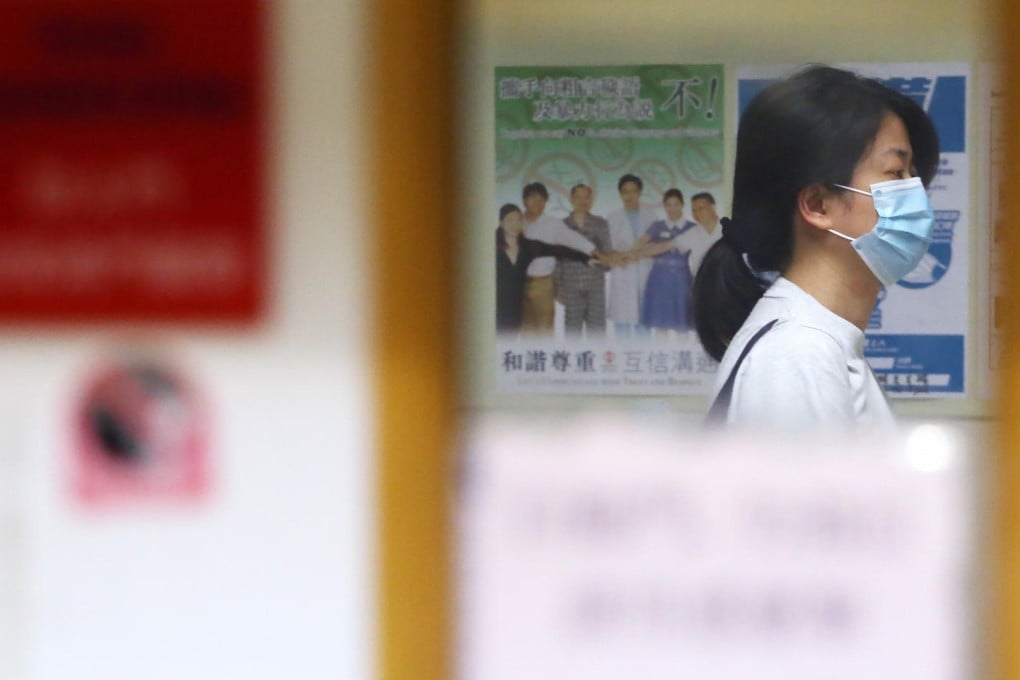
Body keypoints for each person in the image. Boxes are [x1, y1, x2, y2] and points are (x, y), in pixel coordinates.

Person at [695, 65, 939, 429]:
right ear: (818, 205)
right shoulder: (797, 354)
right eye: (895, 173)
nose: (915, 193)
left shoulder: (821, 343)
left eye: (914, 176)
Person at [496, 203, 596, 335]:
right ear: (501, 223)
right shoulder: (490, 247)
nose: (515, 223)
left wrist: (585, 258)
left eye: (518, 219)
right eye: (510, 220)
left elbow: (558, 250)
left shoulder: (527, 247)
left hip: (515, 309)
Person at [519, 182, 602, 335]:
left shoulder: (552, 223)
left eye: (542, 200)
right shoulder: (515, 221)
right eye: (533, 198)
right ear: (524, 201)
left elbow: (572, 239)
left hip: (542, 284)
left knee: (545, 329)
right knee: (525, 328)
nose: (538, 203)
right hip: (518, 283)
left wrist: (594, 251)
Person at [625, 188, 696, 335]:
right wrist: (628, 254)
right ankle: (660, 354)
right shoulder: (657, 226)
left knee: (681, 321)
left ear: (682, 205)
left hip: (682, 277)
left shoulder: (692, 227)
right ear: (664, 206)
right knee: (660, 321)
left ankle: (681, 354)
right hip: (659, 277)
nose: (672, 209)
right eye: (668, 205)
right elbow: (641, 242)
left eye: (676, 204)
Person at [606, 174, 660, 339]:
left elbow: (656, 244)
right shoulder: (612, 218)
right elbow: (609, 247)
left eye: (633, 191)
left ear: (640, 192)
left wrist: (640, 252)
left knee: (644, 319)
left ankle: (643, 359)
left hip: (645, 270)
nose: (629, 196)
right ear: (620, 194)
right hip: (623, 270)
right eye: (625, 192)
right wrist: (620, 256)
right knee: (622, 320)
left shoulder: (652, 216)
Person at [556, 184, 611, 337]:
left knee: (597, 332)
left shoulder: (600, 223)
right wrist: (558, 289)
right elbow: (558, 260)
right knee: (572, 332)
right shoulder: (562, 225)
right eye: (578, 197)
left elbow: (607, 254)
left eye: (586, 197)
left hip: (595, 286)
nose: (582, 201)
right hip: (570, 286)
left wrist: (607, 262)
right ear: (571, 199)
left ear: (591, 200)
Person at [687, 192, 723, 278]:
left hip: (724, 282)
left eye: (701, 208)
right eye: (694, 210)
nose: (697, 213)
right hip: (699, 282)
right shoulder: (692, 232)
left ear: (712, 207)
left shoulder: (727, 229)